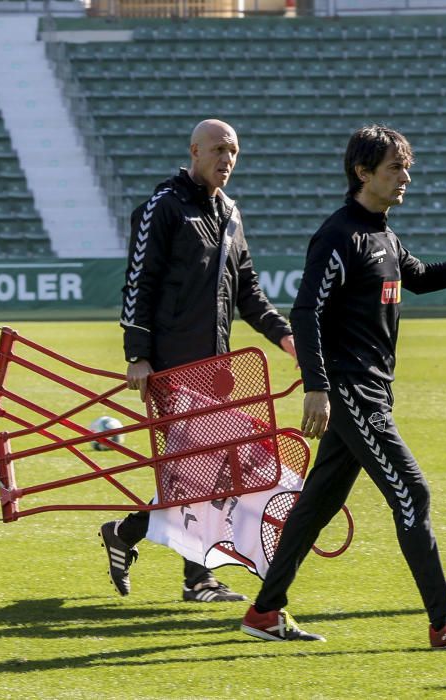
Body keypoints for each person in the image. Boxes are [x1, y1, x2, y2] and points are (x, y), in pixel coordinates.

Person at [239, 125, 446, 648]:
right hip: (353, 390)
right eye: (394, 169)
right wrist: (318, 386)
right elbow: (305, 310)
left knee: (316, 504)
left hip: (372, 389)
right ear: (363, 173)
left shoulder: (383, 234)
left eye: (406, 168)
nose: (405, 178)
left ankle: (265, 612)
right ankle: (445, 624)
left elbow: (420, 277)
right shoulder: (339, 235)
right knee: (414, 493)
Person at [100, 119, 296, 603]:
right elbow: (137, 283)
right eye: (218, 150)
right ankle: (197, 578)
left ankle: (126, 535)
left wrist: (285, 335)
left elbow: (248, 291)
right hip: (170, 369)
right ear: (194, 151)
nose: (226, 159)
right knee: (201, 473)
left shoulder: (230, 213)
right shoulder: (162, 208)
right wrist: (138, 355)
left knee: (202, 473)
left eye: (233, 151)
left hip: (217, 370)